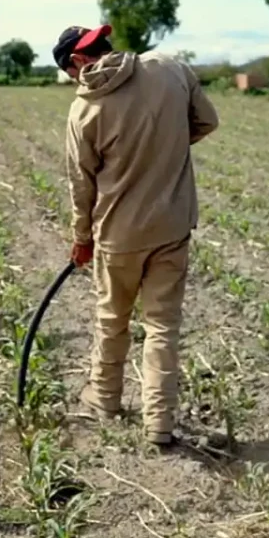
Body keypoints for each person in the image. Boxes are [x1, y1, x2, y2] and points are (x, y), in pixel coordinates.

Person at [52, 24, 220, 447]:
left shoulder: (84, 111)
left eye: (70, 73)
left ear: (77, 63)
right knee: (163, 327)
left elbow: (81, 185)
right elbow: (206, 120)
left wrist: (82, 238)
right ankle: (159, 425)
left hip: (117, 235)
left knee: (113, 320)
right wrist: (167, 147)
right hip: (172, 226)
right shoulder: (169, 67)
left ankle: (104, 401)